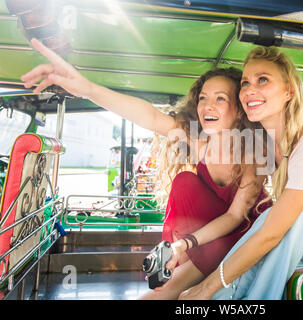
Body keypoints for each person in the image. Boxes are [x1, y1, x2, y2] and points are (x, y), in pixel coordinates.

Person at [21, 39, 272, 299]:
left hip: (245, 230)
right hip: (205, 232)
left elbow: (234, 218)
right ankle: (179, 267)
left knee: (167, 291)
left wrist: (187, 243)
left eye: (221, 98)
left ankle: (180, 276)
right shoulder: (199, 140)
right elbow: (151, 117)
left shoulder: (252, 151)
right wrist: (87, 89)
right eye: (203, 98)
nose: (207, 105)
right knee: (185, 180)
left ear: (240, 109)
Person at [178, 46, 303, 300]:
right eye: (245, 83)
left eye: (263, 80)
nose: (250, 90)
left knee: (288, 219)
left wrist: (206, 286)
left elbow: (274, 231)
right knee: (270, 225)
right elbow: (242, 213)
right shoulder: (264, 145)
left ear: (289, 91)